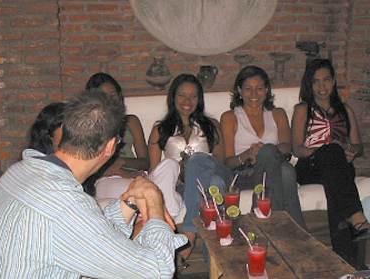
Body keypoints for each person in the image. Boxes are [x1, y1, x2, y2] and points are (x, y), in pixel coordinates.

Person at [0, 90, 187, 279]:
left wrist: (129, 202)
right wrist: (154, 199)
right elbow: (158, 270)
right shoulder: (64, 204)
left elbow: (86, 234)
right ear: (110, 146)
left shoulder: (22, 170)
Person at [291, 59, 369, 268]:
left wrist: (352, 152)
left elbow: (357, 145)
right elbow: (296, 148)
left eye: (326, 80)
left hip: (337, 167)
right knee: (333, 152)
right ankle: (357, 216)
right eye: (316, 82)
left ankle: (349, 263)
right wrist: (324, 151)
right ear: (309, 84)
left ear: (333, 81)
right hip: (309, 165)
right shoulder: (303, 109)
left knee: (335, 187)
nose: (322, 86)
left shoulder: (345, 110)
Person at [148, 74, 232, 267]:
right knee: (215, 186)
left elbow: (220, 159)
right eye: (182, 95)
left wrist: (195, 165)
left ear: (199, 99)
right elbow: (154, 170)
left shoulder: (211, 125)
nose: (187, 101)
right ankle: (215, 264)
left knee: (201, 163)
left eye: (193, 96)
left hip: (214, 170)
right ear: (173, 97)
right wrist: (182, 175)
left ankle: (190, 231)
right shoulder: (161, 129)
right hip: (183, 186)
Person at [220, 66, 306, 228]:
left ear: (266, 90)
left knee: (283, 167)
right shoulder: (230, 117)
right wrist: (248, 154)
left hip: (273, 165)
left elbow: (287, 147)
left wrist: (264, 151)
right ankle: (298, 232)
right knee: (286, 171)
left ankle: (264, 217)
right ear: (239, 90)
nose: (254, 94)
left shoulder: (277, 114)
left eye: (259, 88)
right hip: (244, 174)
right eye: (248, 89)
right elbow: (228, 163)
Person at [85, 73, 149, 199]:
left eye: (113, 95)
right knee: (143, 191)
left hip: (134, 175)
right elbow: (87, 165)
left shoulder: (131, 121)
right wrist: (122, 171)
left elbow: (146, 163)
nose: (110, 100)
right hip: (105, 180)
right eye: (104, 96)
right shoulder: (89, 126)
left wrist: (122, 161)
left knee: (168, 166)